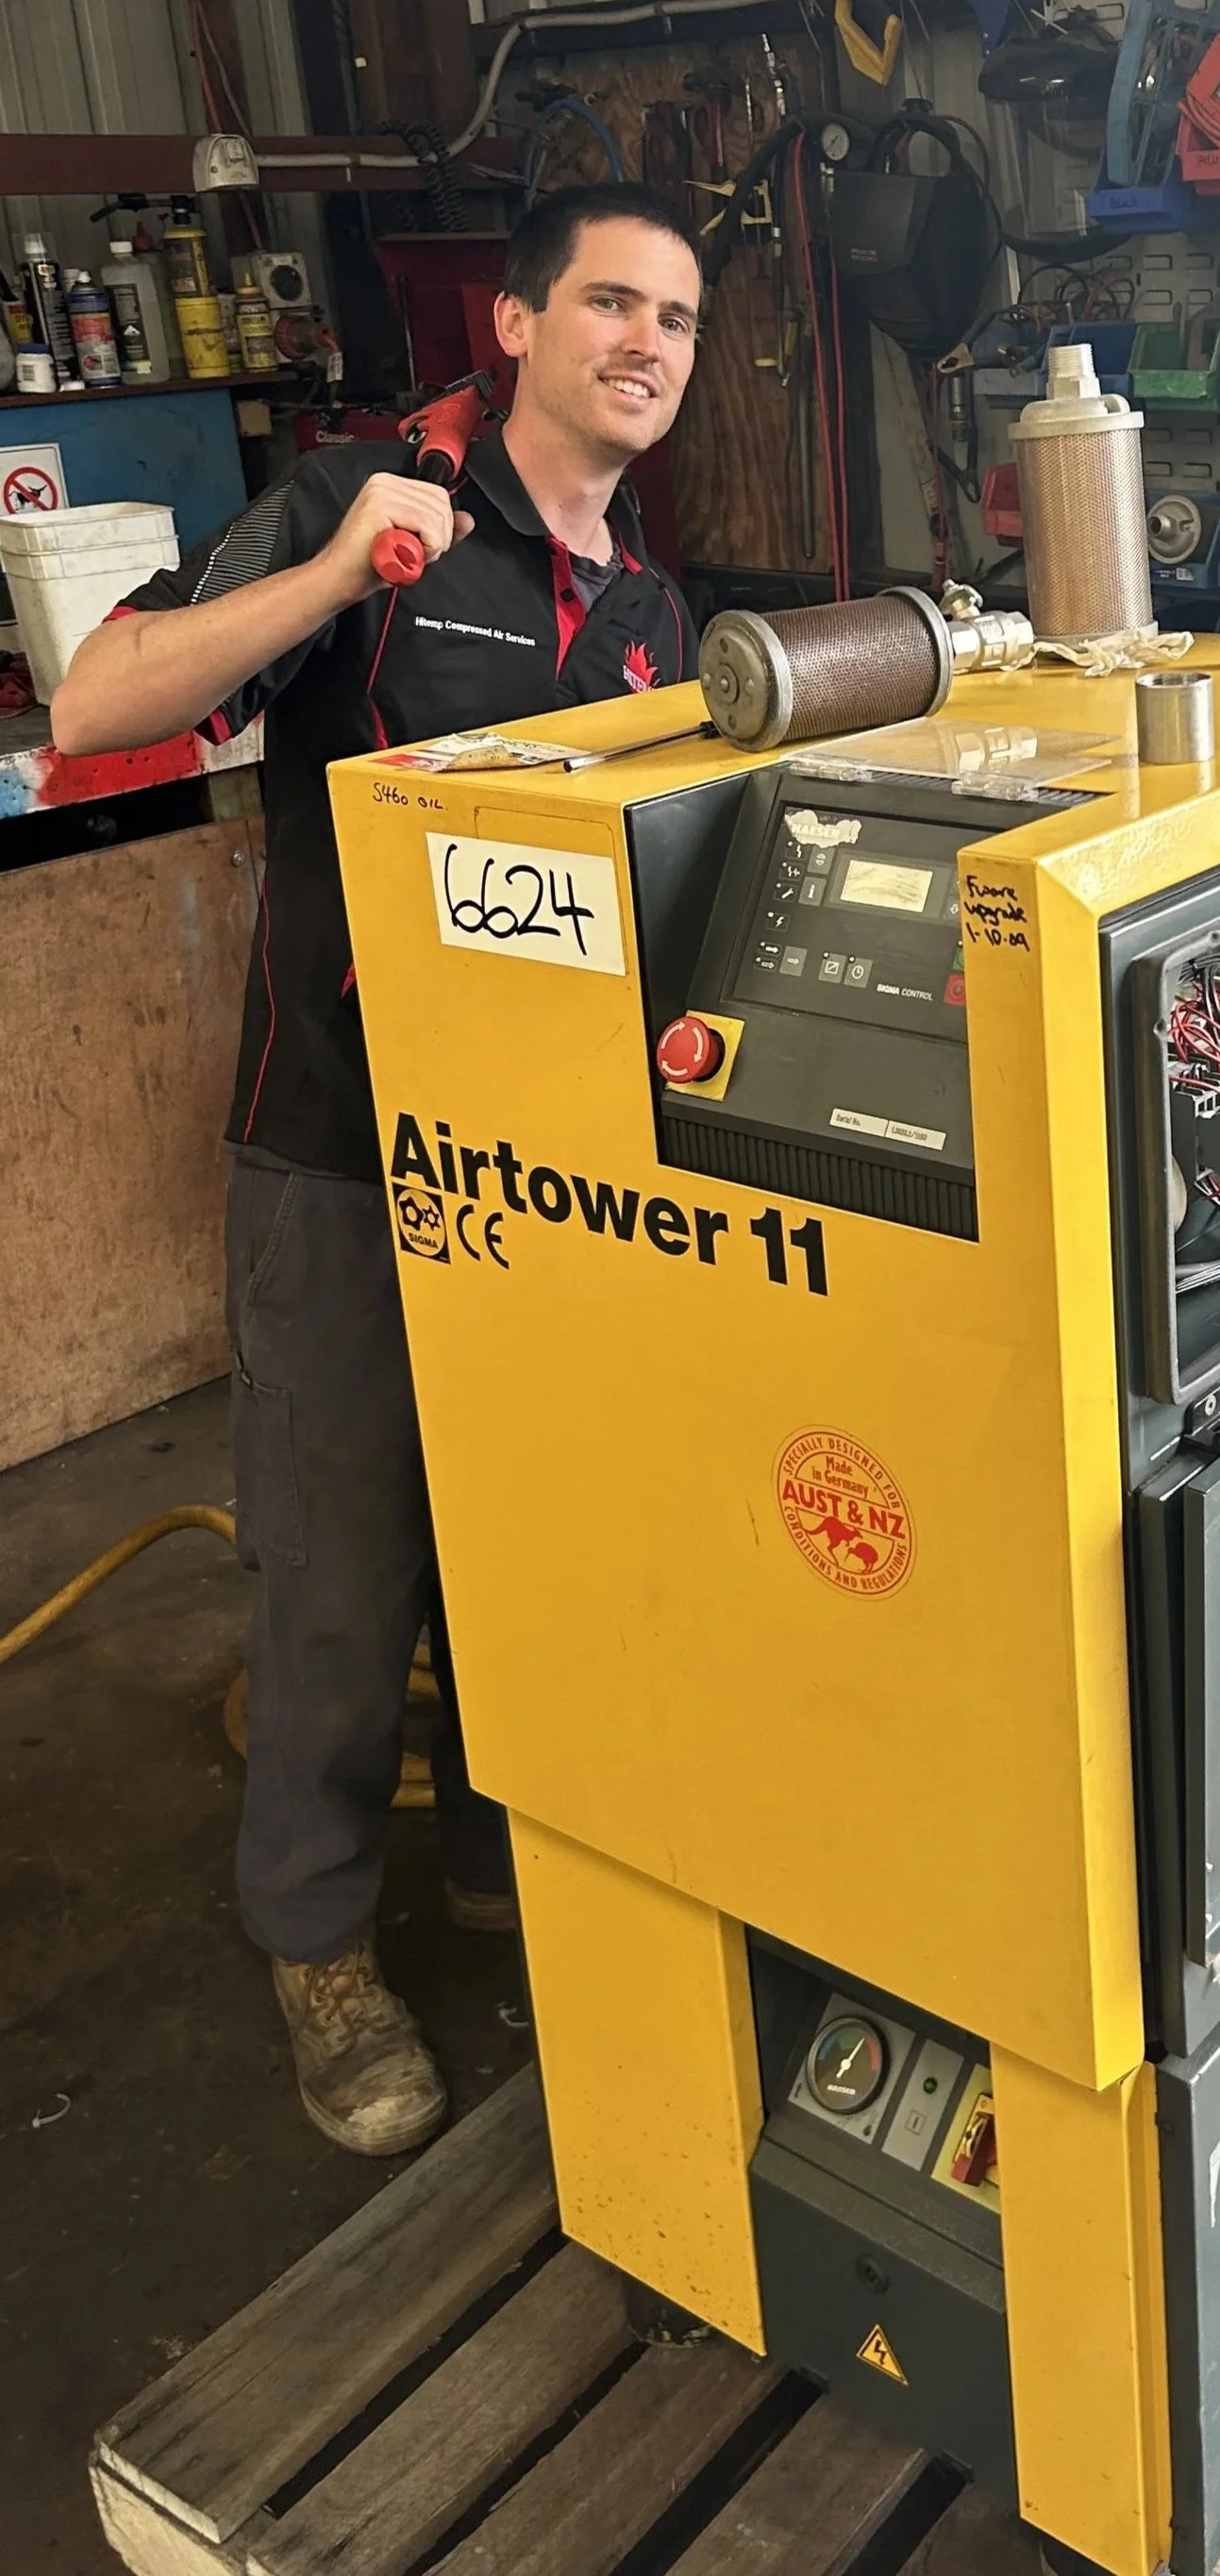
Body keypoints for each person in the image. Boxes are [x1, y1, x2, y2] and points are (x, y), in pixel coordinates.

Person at [51, 183, 703, 2151]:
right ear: (511, 323)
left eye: (675, 313)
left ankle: (521, 1848)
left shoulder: (651, 609)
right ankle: (317, 1946)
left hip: (554, 1180)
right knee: (340, 1575)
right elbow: (98, 704)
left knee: (544, 1540)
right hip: (338, 1156)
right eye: (608, 300)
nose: (646, 340)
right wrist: (336, 575)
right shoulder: (371, 509)